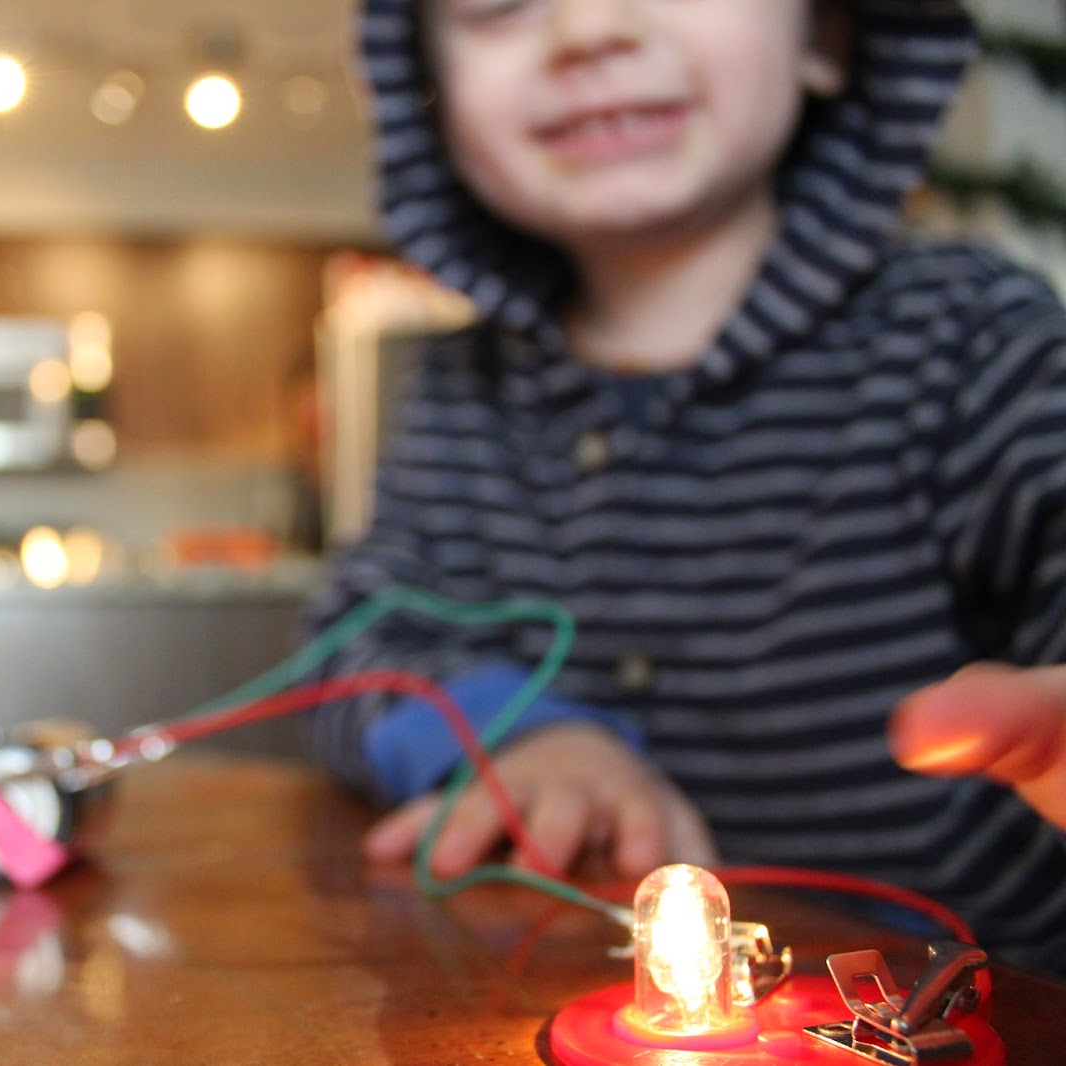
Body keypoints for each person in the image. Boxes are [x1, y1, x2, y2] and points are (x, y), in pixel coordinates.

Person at [306, 0, 1066, 972]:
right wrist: (520, 737)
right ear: (428, 88)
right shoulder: (459, 391)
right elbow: (355, 646)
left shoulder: (973, 340)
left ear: (827, 38)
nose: (588, 28)